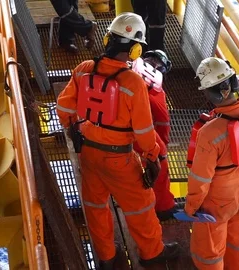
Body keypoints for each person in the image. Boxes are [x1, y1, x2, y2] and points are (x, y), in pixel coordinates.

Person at [56, 12, 179, 269]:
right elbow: (145, 132)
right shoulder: (132, 83)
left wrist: (74, 130)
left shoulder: (83, 70)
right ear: (135, 49)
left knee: (95, 207)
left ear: (107, 38)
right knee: (140, 208)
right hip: (119, 160)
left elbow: (64, 108)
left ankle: (107, 258)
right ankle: (152, 254)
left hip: (88, 156)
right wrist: (152, 157)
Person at [185, 57, 239, 269]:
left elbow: (200, 178)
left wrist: (192, 207)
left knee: (210, 251)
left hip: (217, 201)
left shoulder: (210, 132)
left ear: (209, 93)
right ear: (234, 82)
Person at [131, 49, 175, 221]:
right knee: (160, 162)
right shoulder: (157, 90)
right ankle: (163, 207)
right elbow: (163, 120)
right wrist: (162, 146)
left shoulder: (130, 69)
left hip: (110, 126)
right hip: (137, 130)